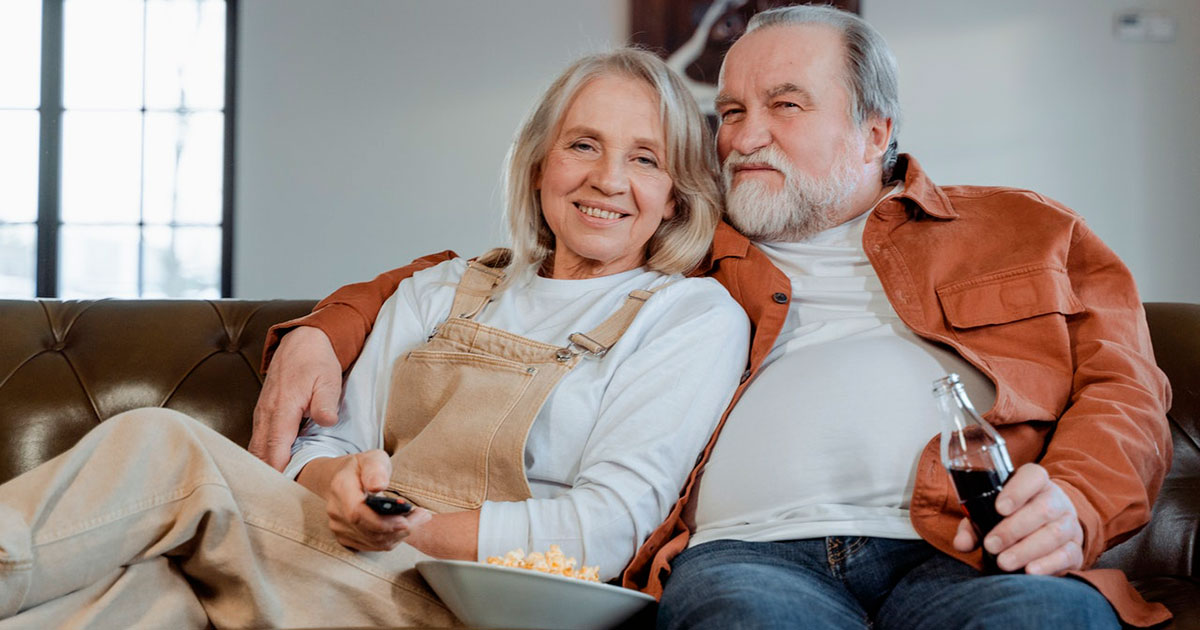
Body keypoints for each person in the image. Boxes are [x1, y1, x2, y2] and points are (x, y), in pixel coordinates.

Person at [251, 6, 1176, 630]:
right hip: (752, 557)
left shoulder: (1027, 229)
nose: (743, 134)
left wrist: (1079, 502)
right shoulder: (690, 234)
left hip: (970, 553)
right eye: (730, 109)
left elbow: (1127, 388)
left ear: (874, 129)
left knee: (1036, 621)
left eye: (784, 104)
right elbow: (500, 268)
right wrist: (326, 329)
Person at [0, 49, 750, 628]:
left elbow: (605, 529)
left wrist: (415, 529)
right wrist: (343, 494)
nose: (610, 179)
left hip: (482, 606)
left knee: (169, 448)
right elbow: (320, 451)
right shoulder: (439, 289)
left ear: (675, 194)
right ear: (538, 167)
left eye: (644, 158)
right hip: (345, 560)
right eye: (583, 145)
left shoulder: (687, 318)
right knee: (142, 597)